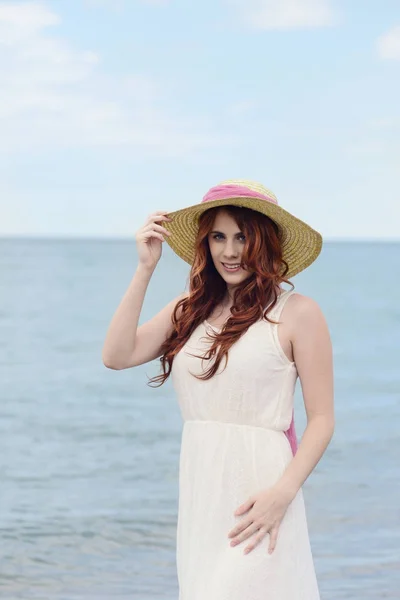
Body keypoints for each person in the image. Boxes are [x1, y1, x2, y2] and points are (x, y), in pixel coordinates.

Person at [102, 179, 335, 600]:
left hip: (262, 494)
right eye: (218, 237)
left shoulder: (298, 313)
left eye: (243, 237)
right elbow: (117, 355)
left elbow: (322, 418)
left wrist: (282, 495)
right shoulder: (188, 309)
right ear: (205, 244)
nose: (230, 251)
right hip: (202, 492)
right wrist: (144, 269)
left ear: (264, 242)